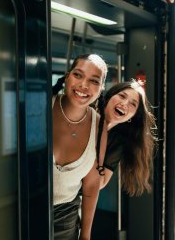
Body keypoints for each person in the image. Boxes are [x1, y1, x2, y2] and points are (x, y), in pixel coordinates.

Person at [52, 54, 108, 240]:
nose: (84, 85)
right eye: (78, 75)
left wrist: (85, 235)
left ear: (101, 89)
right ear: (67, 77)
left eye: (93, 81)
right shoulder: (41, 105)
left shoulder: (100, 127)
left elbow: (91, 185)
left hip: (65, 218)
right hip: (23, 211)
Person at [98, 80, 157, 196]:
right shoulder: (85, 115)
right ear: (110, 96)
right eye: (122, 96)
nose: (124, 104)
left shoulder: (118, 141)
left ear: (133, 116)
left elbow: (100, 183)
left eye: (133, 104)